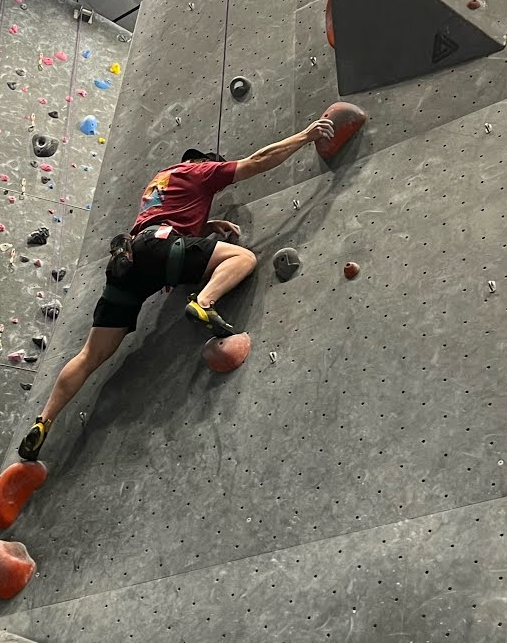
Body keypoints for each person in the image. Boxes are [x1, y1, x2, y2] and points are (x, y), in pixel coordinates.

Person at [17, 118, 335, 461]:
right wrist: (305, 135)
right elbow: (256, 162)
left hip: (128, 262)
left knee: (90, 355)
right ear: (204, 161)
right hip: (162, 251)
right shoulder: (200, 172)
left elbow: (169, 215)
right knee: (243, 259)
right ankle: (204, 302)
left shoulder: (161, 181)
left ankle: (43, 422)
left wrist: (205, 224)